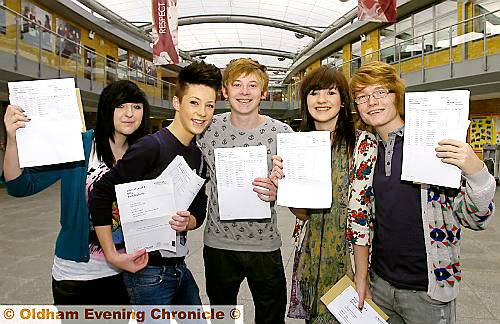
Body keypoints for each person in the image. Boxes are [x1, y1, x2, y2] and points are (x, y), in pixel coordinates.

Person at [350, 61, 496, 323]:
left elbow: (473, 217)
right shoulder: (365, 151)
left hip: (428, 289)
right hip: (380, 283)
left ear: (397, 95)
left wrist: (477, 172)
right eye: (363, 96)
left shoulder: (430, 142)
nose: (372, 101)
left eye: (381, 92)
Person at [2, 80, 150, 304]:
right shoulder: (80, 145)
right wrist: (12, 141)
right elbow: (20, 185)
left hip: (127, 272)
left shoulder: (144, 152)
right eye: (120, 106)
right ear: (105, 109)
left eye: (137, 106)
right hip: (77, 275)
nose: (129, 113)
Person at [89, 61, 222, 305]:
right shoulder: (151, 147)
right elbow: (101, 192)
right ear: (176, 103)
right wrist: (110, 254)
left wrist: (188, 221)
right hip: (147, 272)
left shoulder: (199, 157)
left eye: (209, 105)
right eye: (194, 102)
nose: (202, 112)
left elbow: (199, 211)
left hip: (179, 267)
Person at [270, 66, 377, 323]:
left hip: (348, 258)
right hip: (309, 255)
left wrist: (361, 276)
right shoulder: (298, 144)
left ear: (342, 101)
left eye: (331, 92)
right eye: (314, 93)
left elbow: (360, 213)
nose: (321, 100)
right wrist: (283, 189)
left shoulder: (362, 143)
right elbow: (303, 214)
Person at [197, 58, 293, 324]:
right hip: (219, 243)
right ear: (224, 91)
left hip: (264, 243)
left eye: (253, 85)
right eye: (237, 84)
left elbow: (295, 188)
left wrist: (279, 192)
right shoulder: (207, 130)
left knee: (271, 318)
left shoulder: (281, 133)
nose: (244, 92)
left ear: (264, 92)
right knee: (222, 316)